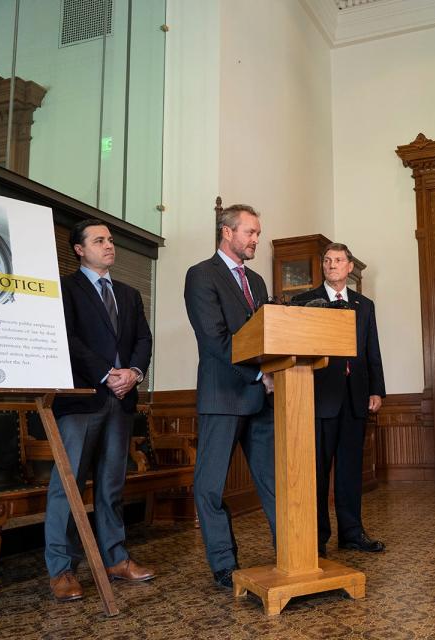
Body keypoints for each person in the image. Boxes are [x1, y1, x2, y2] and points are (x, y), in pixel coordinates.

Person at [46, 219, 155, 602]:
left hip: (122, 400)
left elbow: (143, 338)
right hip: (80, 400)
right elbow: (67, 338)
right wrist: (107, 373)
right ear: (79, 249)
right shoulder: (64, 289)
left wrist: (134, 373)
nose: (109, 245)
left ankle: (115, 558)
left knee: (111, 486)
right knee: (69, 487)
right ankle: (62, 570)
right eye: (99, 240)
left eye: (110, 240)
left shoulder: (129, 293)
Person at [184, 204, 277, 589]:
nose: (256, 239)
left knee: (275, 482)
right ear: (227, 232)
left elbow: (267, 334)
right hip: (224, 396)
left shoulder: (256, 282)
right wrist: (258, 374)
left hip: (261, 398)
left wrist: (271, 372)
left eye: (257, 233)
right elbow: (215, 340)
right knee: (209, 486)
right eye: (250, 232)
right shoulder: (201, 275)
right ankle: (224, 563)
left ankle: (294, 553)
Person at [291, 243, 386, 555]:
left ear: (349, 268)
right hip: (318, 397)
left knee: (349, 470)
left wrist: (377, 389)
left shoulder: (364, 305)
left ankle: (352, 533)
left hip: (355, 397)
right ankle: (316, 538)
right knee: (316, 471)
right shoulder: (304, 301)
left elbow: (372, 349)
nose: (332, 265)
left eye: (339, 260)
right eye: (327, 260)